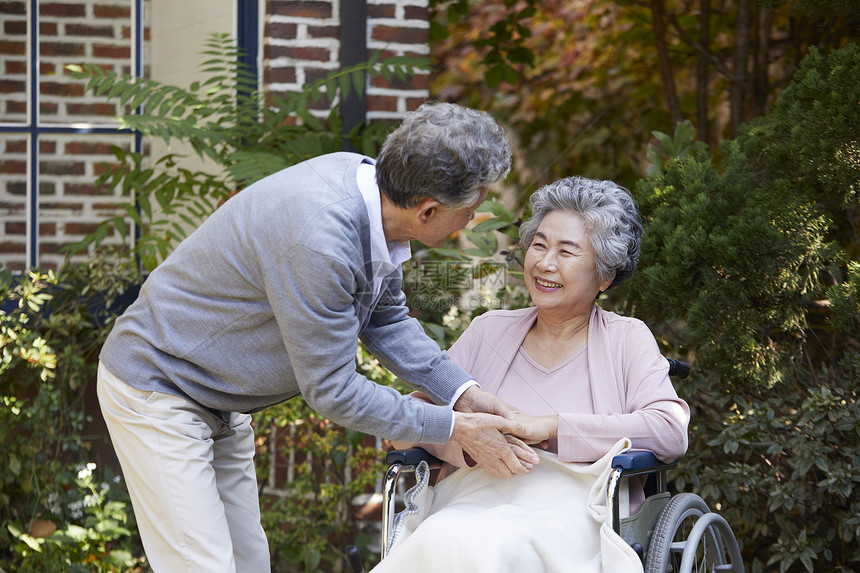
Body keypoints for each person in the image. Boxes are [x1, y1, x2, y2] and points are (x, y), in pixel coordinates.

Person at [96, 102, 542, 572]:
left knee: (249, 563)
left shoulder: (371, 197)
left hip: (217, 397)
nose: (471, 220)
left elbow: (385, 320)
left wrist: (464, 395)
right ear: (429, 210)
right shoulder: (320, 241)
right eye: (469, 211)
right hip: (160, 386)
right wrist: (454, 429)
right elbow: (332, 391)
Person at [375, 176, 691, 573]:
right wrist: (467, 440)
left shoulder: (627, 339)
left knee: (493, 545)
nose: (544, 262)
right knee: (445, 539)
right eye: (539, 245)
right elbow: (405, 424)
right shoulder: (489, 331)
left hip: (577, 511)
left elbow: (668, 430)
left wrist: (548, 427)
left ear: (605, 275)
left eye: (567, 251)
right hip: (473, 498)